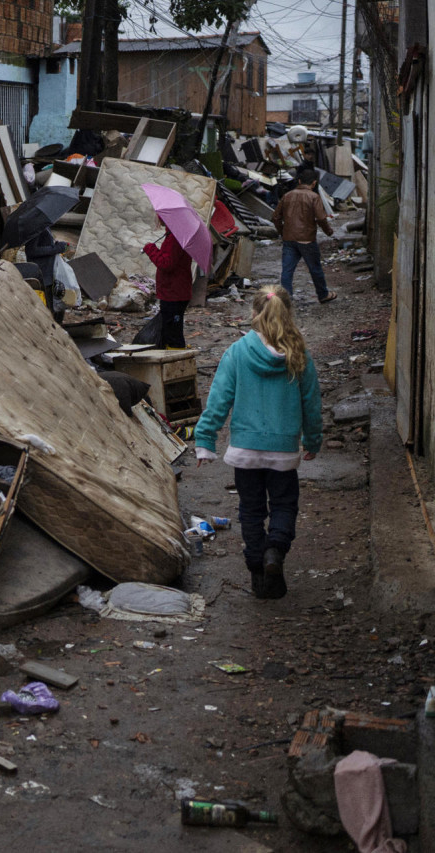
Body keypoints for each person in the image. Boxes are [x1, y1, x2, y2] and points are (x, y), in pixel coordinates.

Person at [194, 286, 323, 599]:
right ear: (286, 313)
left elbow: (219, 399)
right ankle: (274, 552)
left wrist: (205, 439)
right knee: (283, 504)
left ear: (254, 315)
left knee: (251, 511)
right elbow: (312, 402)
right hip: (283, 451)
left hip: (245, 452)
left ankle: (257, 571)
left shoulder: (237, 352)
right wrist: (313, 440)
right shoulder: (298, 353)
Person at [272, 170, 337, 304]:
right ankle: (323, 294)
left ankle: (285, 299)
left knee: (287, 270)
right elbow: (321, 218)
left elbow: (275, 217)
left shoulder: (287, 196)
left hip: (289, 239)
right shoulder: (314, 197)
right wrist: (328, 231)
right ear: (314, 183)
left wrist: (282, 232)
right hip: (307, 239)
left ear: (299, 181)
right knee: (315, 269)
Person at [142, 219, 193, 348]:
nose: (157, 218)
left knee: (173, 335)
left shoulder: (175, 237)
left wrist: (151, 249)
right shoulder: (173, 235)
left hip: (174, 292)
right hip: (173, 291)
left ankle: (176, 361)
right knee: (170, 331)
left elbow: (166, 264)